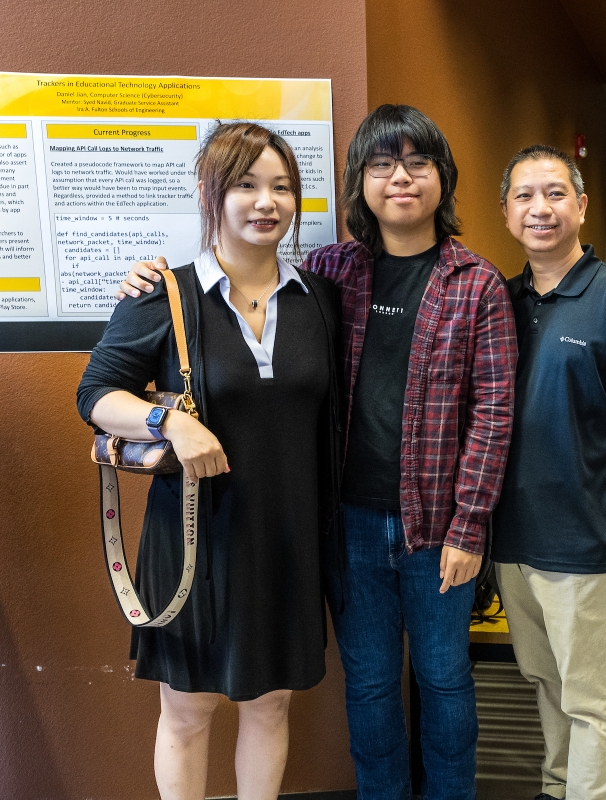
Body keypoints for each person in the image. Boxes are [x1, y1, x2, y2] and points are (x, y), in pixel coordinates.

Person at [119, 105, 518, 800]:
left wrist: (471, 523)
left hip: (437, 529)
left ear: (443, 179)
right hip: (345, 523)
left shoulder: (476, 282)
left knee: (446, 679)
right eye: (382, 164)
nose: (401, 178)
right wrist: (148, 281)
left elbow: (493, 413)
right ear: (358, 182)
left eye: (418, 163)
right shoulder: (331, 276)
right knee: (366, 685)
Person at [79, 122, 343, 800]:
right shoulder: (164, 293)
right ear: (209, 194)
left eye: (281, 187)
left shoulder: (319, 300)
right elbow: (95, 395)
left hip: (286, 541)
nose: (266, 202)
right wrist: (169, 422)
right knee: (189, 709)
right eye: (247, 185)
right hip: (194, 539)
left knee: (271, 703)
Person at [490, 145, 606, 800]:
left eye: (554, 193)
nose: (539, 208)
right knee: (545, 682)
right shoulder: (502, 301)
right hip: (514, 540)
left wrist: (605, 472)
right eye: (524, 196)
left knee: (591, 700)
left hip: (585, 542)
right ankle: (556, 787)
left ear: (581, 206)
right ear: (508, 212)